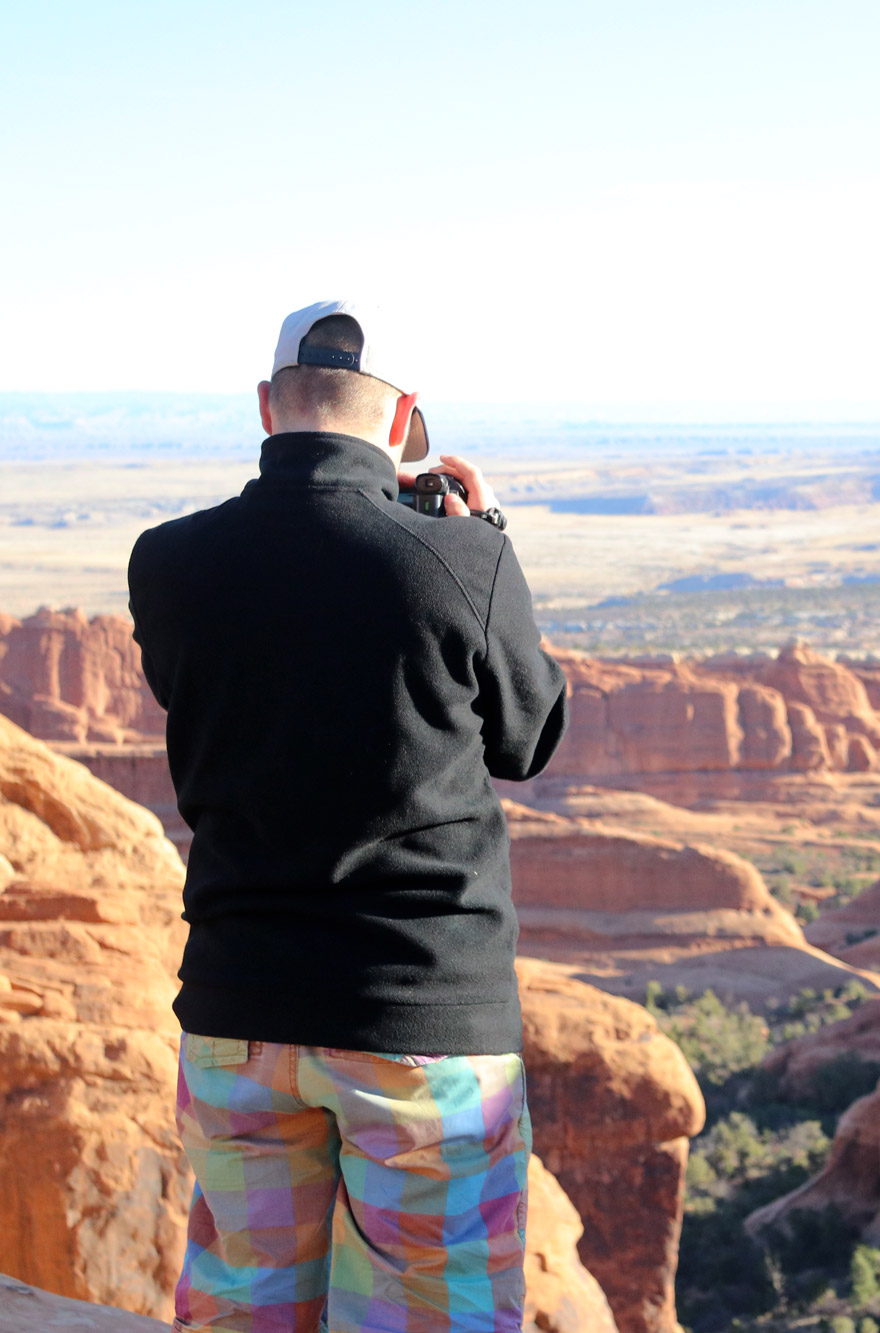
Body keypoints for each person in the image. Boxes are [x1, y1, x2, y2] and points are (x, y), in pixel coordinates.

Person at [127, 300, 569, 1332]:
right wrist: (484, 535)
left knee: (246, 1311)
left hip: (240, 1013)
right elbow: (527, 739)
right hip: (416, 1019)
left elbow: (203, 696)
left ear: (266, 410)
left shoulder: (169, 560)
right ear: (404, 414)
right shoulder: (461, 559)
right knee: (428, 1316)